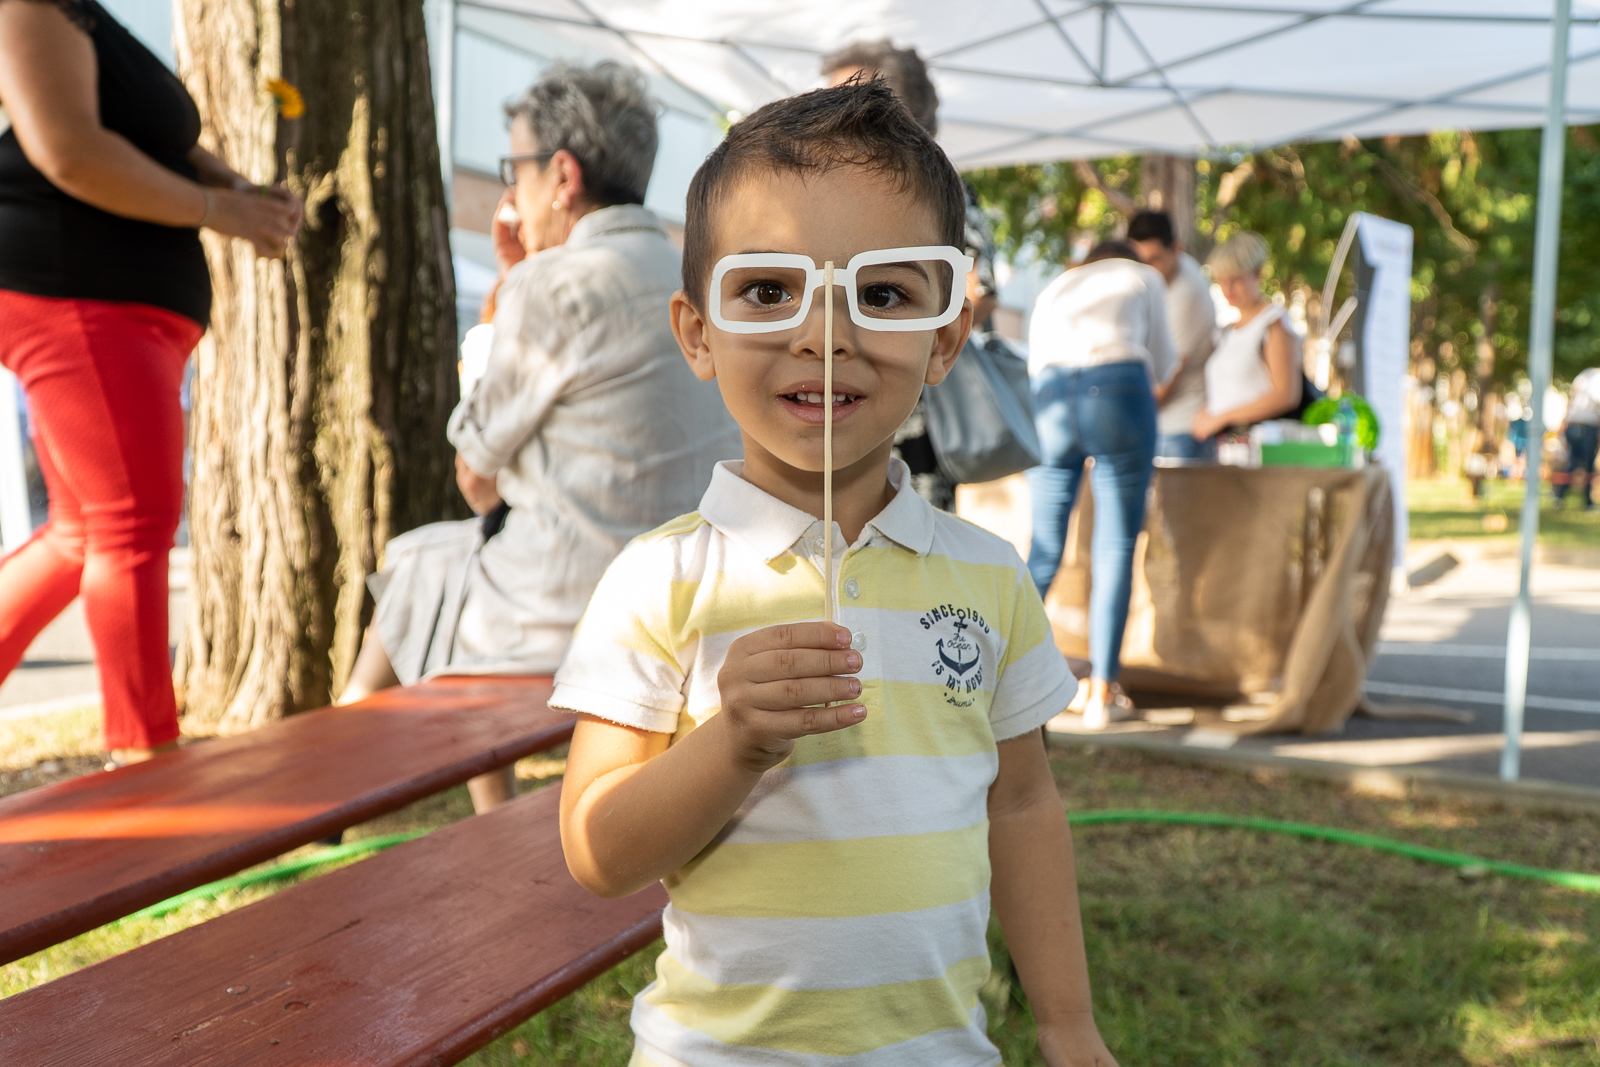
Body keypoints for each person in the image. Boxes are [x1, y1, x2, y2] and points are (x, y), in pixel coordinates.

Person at [553, 82, 1118, 1067]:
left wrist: (1067, 1023)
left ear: (945, 335)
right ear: (698, 332)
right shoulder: (659, 581)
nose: (824, 333)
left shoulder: (988, 580)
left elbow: (1021, 806)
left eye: (885, 293)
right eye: (768, 290)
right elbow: (599, 850)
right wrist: (730, 739)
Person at [338, 61, 738, 812]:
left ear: (561, 174)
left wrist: (503, 296)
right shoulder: (696, 273)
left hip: (574, 602)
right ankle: (389, 777)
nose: (509, 192)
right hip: (691, 584)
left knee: (415, 561)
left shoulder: (551, 283)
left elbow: (474, 478)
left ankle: (336, 767)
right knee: (441, 560)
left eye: (512, 169)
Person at [0, 0, 303, 766]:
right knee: (131, 521)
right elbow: (68, 151)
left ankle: (145, 760)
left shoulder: (82, 15)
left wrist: (241, 192)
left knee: (84, 532)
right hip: (78, 293)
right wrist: (221, 211)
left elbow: (156, 140)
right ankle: (146, 769)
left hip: (117, 303)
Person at [820, 38, 989, 510]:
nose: (826, 116)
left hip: (912, 411)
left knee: (908, 539)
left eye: (847, 101)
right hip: (833, 405)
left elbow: (981, 288)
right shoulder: (822, 199)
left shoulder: (945, 196)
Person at [1026, 241, 1177, 729]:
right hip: (1117, 386)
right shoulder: (1141, 276)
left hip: (1050, 394)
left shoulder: (1057, 285)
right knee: (1114, 545)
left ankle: (996, 675)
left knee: (1044, 548)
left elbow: (1033, 364)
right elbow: (1165, 357)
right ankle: (1100, 694)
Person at [1193, 231, 1303, 442]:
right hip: (1228, 446)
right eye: (1222, 281)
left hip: (1261, 444)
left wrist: (1223, 417)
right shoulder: (1226, 332)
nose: (1228, 289)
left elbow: (1286, 395)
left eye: (1236, 280)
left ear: (1257, 273)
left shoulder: (1273, 324)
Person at [1127, 209, 1218, 461]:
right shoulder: (1159, 281)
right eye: (1140, 261)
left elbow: (1164, 383)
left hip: (1180, 433)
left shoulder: (1187, 295)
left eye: (1155, 259)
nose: (1147, 270)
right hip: (1161, 427)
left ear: (1176, 248)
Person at [1555, 364, 1600, 509]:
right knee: (1586, 464)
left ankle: (1559, 497)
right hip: (1586, 426)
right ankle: (1587, 502)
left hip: (1574, 424)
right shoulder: (1595, 377)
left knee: (1573, 462)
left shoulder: (1585, 374)